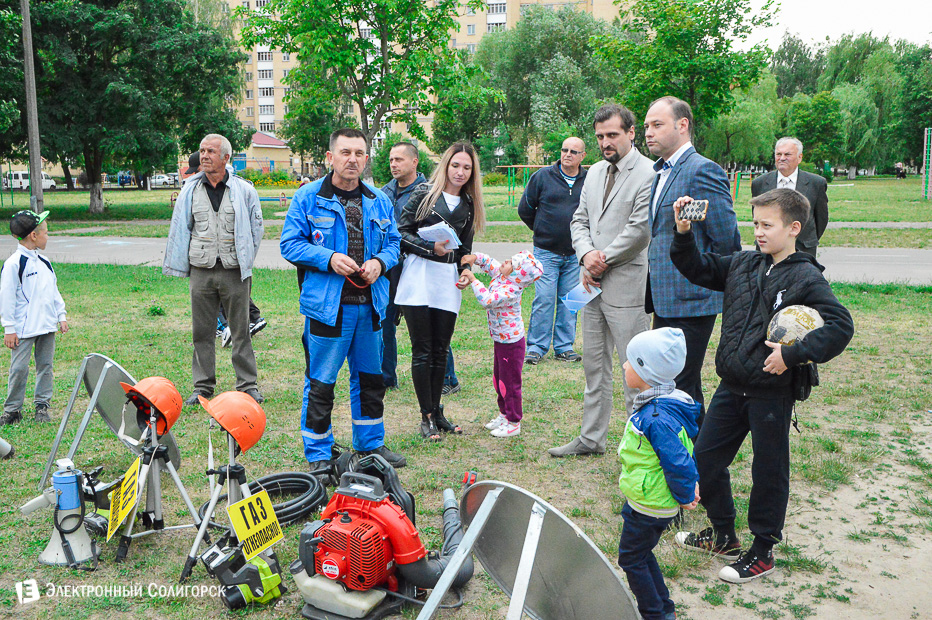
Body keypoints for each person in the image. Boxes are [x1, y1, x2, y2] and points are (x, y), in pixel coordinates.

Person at [670, 188, 854, 583]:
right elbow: (696, 268)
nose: (759, 232)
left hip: (771, 393)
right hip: (731, 385)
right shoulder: (742, 263)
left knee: (768, 470)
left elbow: (842, 326)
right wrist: (683, 232)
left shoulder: (805, 276)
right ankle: (723, 534)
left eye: (767, 225)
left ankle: (763, 550)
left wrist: (792, 355)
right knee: (705, 461)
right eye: (755, 224)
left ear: (793, 228)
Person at [280, 128, 404, 475]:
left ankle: (370, 445)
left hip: (371, 308)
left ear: (366, 159)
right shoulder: (307, 197)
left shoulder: (379, 200)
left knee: (370, 379)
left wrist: (380, 263)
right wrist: (329, 258)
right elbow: (289, 244)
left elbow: (394, 244)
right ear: (330, 157)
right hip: (329, 308)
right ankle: (319, 453)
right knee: (321, 382)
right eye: (345, 152)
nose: (352, 159)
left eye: (359, 153)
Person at [549, 104, 654, 458]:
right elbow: (579, 220)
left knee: (633, 370)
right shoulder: (593, 173)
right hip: (590, 286)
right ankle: (591, 438)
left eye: (612, 135)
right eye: (600, 136)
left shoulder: (648, 173)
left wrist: (600, 260)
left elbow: (640, 230)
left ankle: (639, 444)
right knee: (594, 366)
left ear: (631, 133)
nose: (605, 142)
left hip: (626, 286)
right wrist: (584, 256)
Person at [644, 96, 741, 422]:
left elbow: (725, 239)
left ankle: (695, 461)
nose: (648, 132)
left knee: (681, 383)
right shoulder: (661, 172)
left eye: (657, 125)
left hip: (693, 297)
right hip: (665, 297)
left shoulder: (702, 171)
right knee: (671, 381)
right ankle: (686, 453)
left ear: (682, 125)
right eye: (646, 126)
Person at [164, 135, 264, 406]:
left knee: (241, 329)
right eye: (201, 151)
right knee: (202, 331)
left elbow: (256, 230)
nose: (204, 155)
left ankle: (248, 385)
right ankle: (202, 387)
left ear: (226, 158)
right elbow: (181, 229)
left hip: (234, 271)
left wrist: (243, 260)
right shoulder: (189, 190)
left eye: (210, 151)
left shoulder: (244, 190)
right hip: (201, 270)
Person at [396, 141, 486, 441]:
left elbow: (465, 249)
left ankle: (437, 410)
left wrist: (465, 271)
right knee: (422, 349)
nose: (460, 172)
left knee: (440, 349)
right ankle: (426, 417)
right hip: (418, 276)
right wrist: (428, 248)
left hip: (447, 280)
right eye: (456, 165)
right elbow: (400, 232)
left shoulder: (470, 204)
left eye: (467, 167)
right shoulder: (424, 193)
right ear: (446, 164)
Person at [616, 327, 700, 620]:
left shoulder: (656, 417)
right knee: (640, 553)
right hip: (648, 499)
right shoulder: (662, 405)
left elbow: (677, 460)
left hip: (650, 504)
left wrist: (687, 492)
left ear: (645, 373)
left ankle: (655, 614)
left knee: (630, 558)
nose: (624, 365)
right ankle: (663, 610)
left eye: (630, 361)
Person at [182, 151, 268, 348]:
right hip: (205, 259)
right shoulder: (194, 189)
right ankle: (251, 318)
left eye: (195, 171)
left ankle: (229, 326)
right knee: (225, 295)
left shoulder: (238, 188)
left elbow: (255, 226)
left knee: (228, 296)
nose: (193, 175)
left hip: (232, 259)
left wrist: (246, 256)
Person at [518, 137, 588, 365]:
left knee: (572, 301)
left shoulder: (589, 180)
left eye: (573, 151)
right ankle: (536, 347)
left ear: (582, 156)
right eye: (564, 150)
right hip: (546, 252)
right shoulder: (542, 177)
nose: (567, 154)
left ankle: (564, 347)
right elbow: (525, 209)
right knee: (544, 299)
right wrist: (542, 229)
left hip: (575, 254)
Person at [461, 251, 542, 438]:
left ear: (517, 274)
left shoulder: (511, 289)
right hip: (500, 339)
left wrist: (474, 280)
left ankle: (514, 421)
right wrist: (475, 258)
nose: (505, 261)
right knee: (499, 380)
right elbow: (489, 263)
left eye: (511, 263)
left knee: (510, 383)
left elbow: (487, 301)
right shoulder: (502, 274)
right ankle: (504, 413)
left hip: (511, 344)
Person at [0, 210, 68, 425]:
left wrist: (61, 315)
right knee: (19, 369)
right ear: (33, 236)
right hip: (23, 329)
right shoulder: (14, 264)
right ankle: (12, 411)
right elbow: (7, 297)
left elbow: (53, 291)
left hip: (47, 326)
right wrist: (9, 328)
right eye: (46, 232)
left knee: (45, 366)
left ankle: (42, 406)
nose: (48, 236)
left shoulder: (44, 261)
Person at [380, 142, 427, 389]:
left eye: (399, 159)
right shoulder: (383, 192)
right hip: (388, 267)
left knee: (424, 325)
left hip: (417, 266)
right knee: (384, 321)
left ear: (414, 162)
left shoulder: (429, 192)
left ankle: (445, 379)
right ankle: (387, 379)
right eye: (391, 160)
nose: (394, 164)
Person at [751, 138, 829, 258]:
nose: (782, 158)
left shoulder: (816, 183)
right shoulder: (760, 183)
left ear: (799, 157)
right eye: (778, 154)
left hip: (804, 248)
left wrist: (807, 238)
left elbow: (821, 218)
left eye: (787, 154)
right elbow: (757, 216)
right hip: (768, 250)